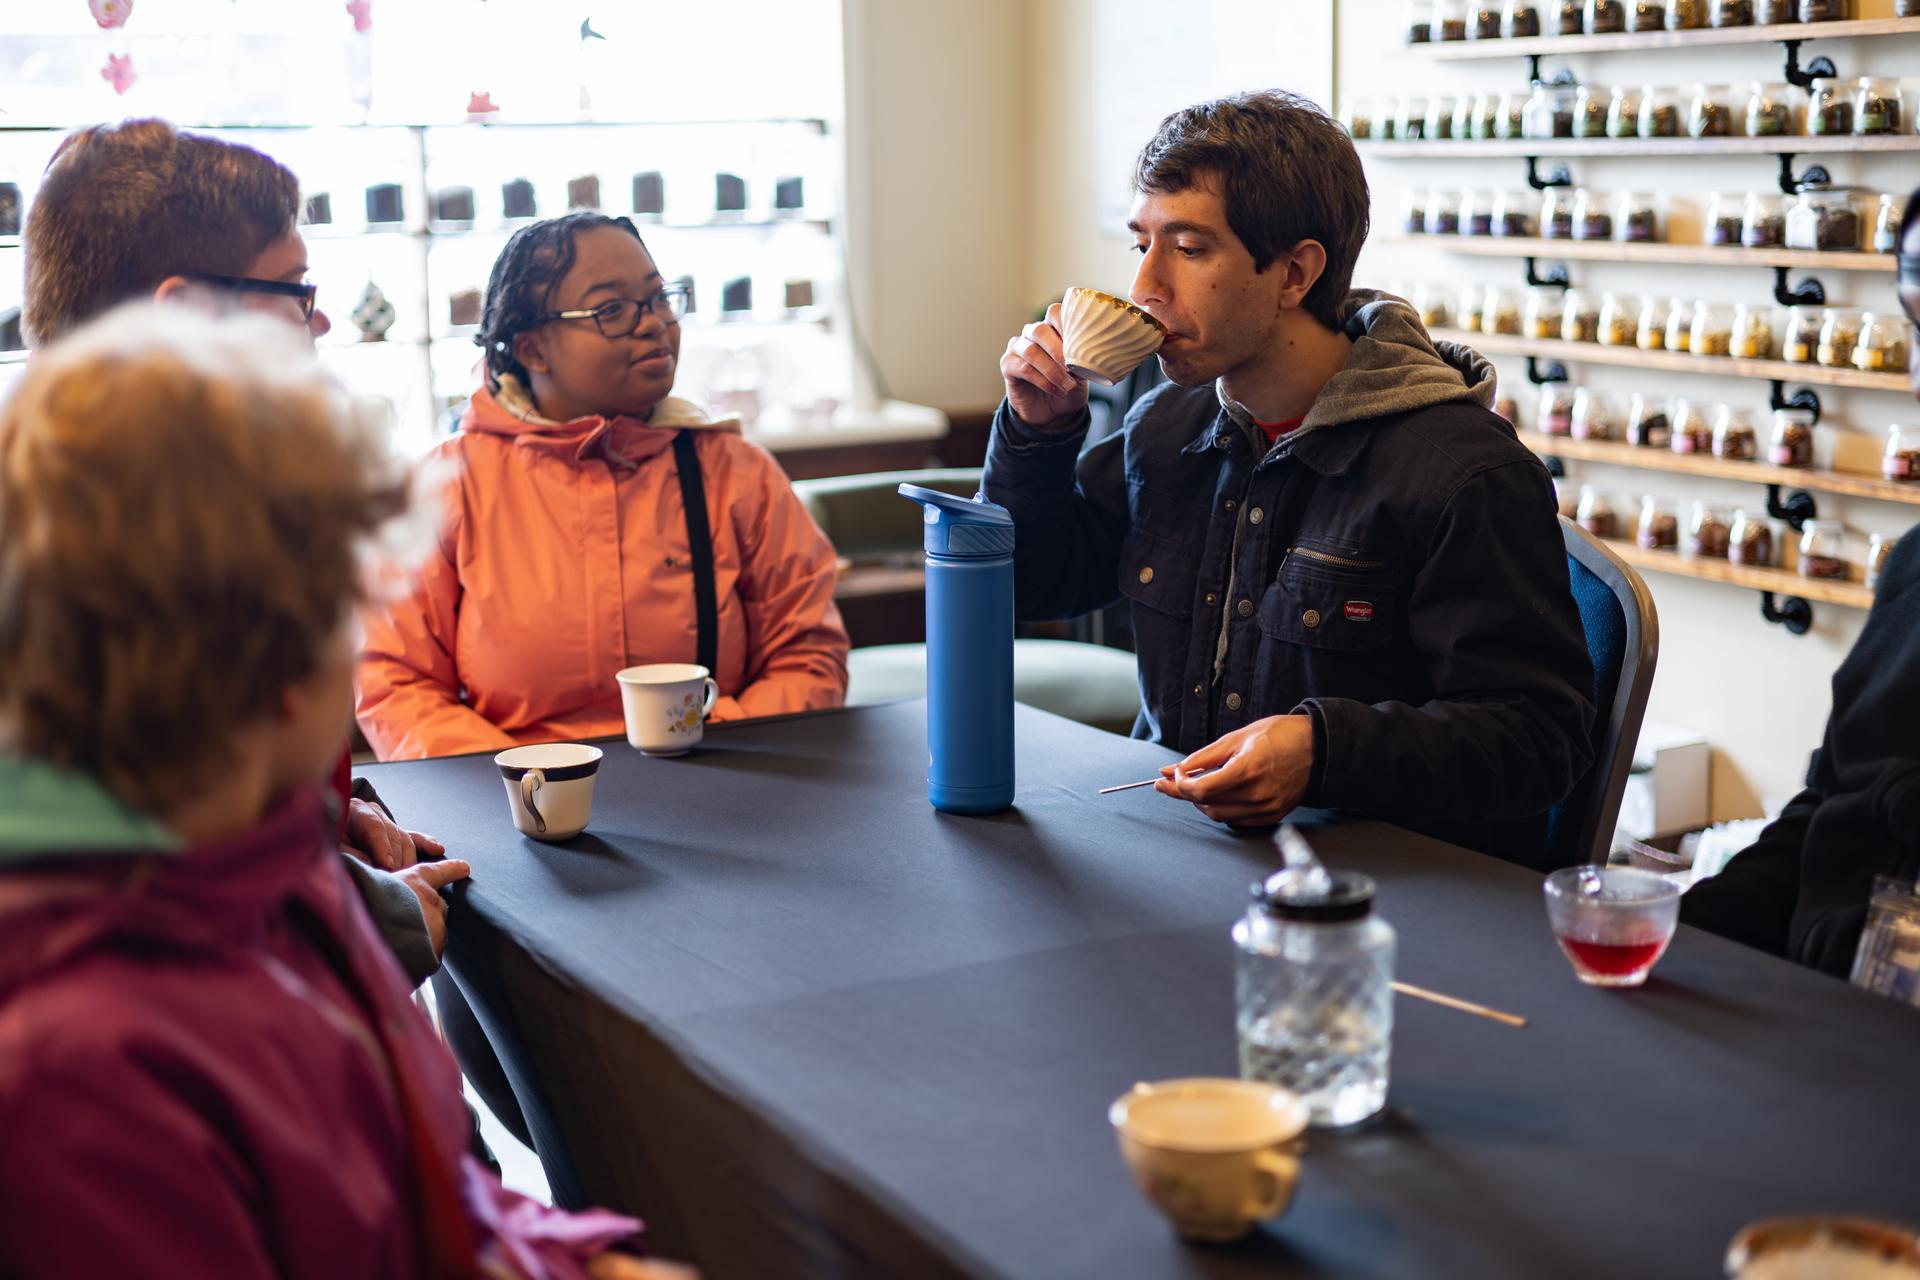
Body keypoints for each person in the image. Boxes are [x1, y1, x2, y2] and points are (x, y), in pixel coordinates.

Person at [0, 305, 688, 1279]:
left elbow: (422, 1196)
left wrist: (570, 1262)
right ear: (273, 663)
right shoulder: (74, 1072)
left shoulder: (281, 883)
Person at [984, 91, 1595, 867]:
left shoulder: (1464, 471)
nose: (1145, 285)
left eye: (1190, 248)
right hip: (1178, 852)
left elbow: (1540, 740)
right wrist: (1037, 435)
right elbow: (1032, 586)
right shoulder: (1165, 426)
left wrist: (1324, 749)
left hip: (1375, 892)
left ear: (1295, 273)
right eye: (1142, 243)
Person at [20, 117, 459, 982]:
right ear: (185, 312)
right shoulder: (137, 552)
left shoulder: (112, 503)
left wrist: (337, 814)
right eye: (294, 287)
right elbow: (154, 892)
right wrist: (384, 922)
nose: (321, 318)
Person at [354, 212, 849, 760]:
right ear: (533, 349)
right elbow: (397, 684)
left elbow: (807, 657)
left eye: (660, 299)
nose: (654, 323)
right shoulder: (446, 488)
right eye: (612, 309)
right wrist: (521, 775)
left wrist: (714, 740)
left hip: (716, 785)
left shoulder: (735, 473)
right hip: (517, 806)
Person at [1679, 186, 1920, 975]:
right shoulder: (1913, 566)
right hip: (1822, 984)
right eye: (1915, 321)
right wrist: (1678, 934)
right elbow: (1827, 812)